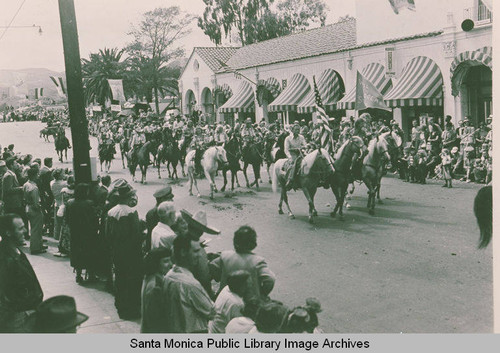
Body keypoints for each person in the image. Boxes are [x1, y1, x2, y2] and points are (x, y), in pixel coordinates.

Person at [0, 214, 44, 332]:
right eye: (20, 228)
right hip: (19, 320)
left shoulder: (16, 251)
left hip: (28, 314)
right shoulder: (5, 259)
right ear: (8, 232)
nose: (25, 231)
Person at [162, 235, 215, 333]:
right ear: (183, 252)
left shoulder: (169, 275)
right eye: (195, 251)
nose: (199, 255)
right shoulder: (191, 285)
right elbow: (212, 312)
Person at [106, 180, 143, 320]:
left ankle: (120, 306)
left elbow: (107, 234)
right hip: (131, 253)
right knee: (132, 280)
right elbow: (136, 235)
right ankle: (131, 308)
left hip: (117, 251)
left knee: (120, 279)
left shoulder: (111, 212)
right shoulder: (131, 212)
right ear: (128, 197)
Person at [210, 225, 275, 301]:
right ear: (253, 243)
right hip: (249, 301)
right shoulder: (257, 261)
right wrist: (262, 294)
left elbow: (212, 266)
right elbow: (270, 280)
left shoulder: (225, 256)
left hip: (226, 297)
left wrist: (221, 278)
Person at [181, 209, 220, 298]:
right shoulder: (199, 250)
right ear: (201, 232)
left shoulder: (179, 240)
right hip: (196, 288)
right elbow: (204, 277)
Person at [65, 183, 99, 283]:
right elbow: (94, 219)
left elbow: (67, 219)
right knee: (89, 252)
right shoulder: (89, 203)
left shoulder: (70, 203)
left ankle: (78, 275)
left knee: (77, 253)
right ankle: (91, 275)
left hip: (75, 232)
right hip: (88, 232)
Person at [141, 247, 172, 333]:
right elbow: (155, 319)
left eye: (170, 260)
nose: (170, 264)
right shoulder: (155, 287)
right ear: (156, 263)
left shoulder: (151, 278)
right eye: (165, 261)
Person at [23, 167, 46, 255]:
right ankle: (35, 248)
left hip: (28, 207)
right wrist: (40, 209)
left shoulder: (26, 184)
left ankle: (39, 244)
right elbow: (36, 203)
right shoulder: (34, 188)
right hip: (34, 209)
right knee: (36, 229)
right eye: (37, 174)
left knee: (34, 228)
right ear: (34, 175)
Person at [145, 186, 174, 251]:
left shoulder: (152, 212)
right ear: (162, 200)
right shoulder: (159, 213)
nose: (172, 200)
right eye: (169, 199)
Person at [2, 157, 25, 230]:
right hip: (12, 203)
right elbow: (8, 190)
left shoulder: (11, 174)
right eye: (15, 163)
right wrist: (21, 188)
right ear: (11, 165)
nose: (17, 164)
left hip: (14, 202)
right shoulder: (9, 175)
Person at [284, 124, 307, 190]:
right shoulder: (288, 138)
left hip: (300, 154)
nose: (298, 131)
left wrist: (304, 147)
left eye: (298, 129)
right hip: (292, 155)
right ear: (292, 130)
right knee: (293, 165)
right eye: (296, 129)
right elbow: (286, 149)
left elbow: (305, 144)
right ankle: (290, 180)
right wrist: (290, 157)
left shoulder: (301, 137)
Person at [50, 169, 67, 241]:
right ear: (59, 175)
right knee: (64, 223)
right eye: (63, 173)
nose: (64, 174)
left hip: (56, 202)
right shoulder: (64, 184)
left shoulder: (51, 182)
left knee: (57, 223)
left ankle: (56, 236)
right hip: (63, 204)